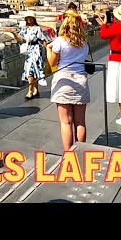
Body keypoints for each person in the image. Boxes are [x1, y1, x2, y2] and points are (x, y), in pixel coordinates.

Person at [46, 10, 91, 151]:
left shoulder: (59, 41)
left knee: (66, 122)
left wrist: (48, 48)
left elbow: (53, 63)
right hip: (80, 80)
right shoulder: (84, 42)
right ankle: (81, 152)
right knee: (80, 122)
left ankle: (68, 155)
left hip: (63, 81)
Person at [6, 11, 49, 99]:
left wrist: (48, 52)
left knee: (32, 70)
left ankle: (30, 91)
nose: (29, 19)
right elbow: (21, 40)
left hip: (36, 51)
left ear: (34, 19)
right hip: (28, 52)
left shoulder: (37, 28)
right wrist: (14, 33)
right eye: (27, 18)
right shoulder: (24, 29)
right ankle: (35, 90)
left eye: (31, 17)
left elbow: (43, 40)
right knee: (31, 70)